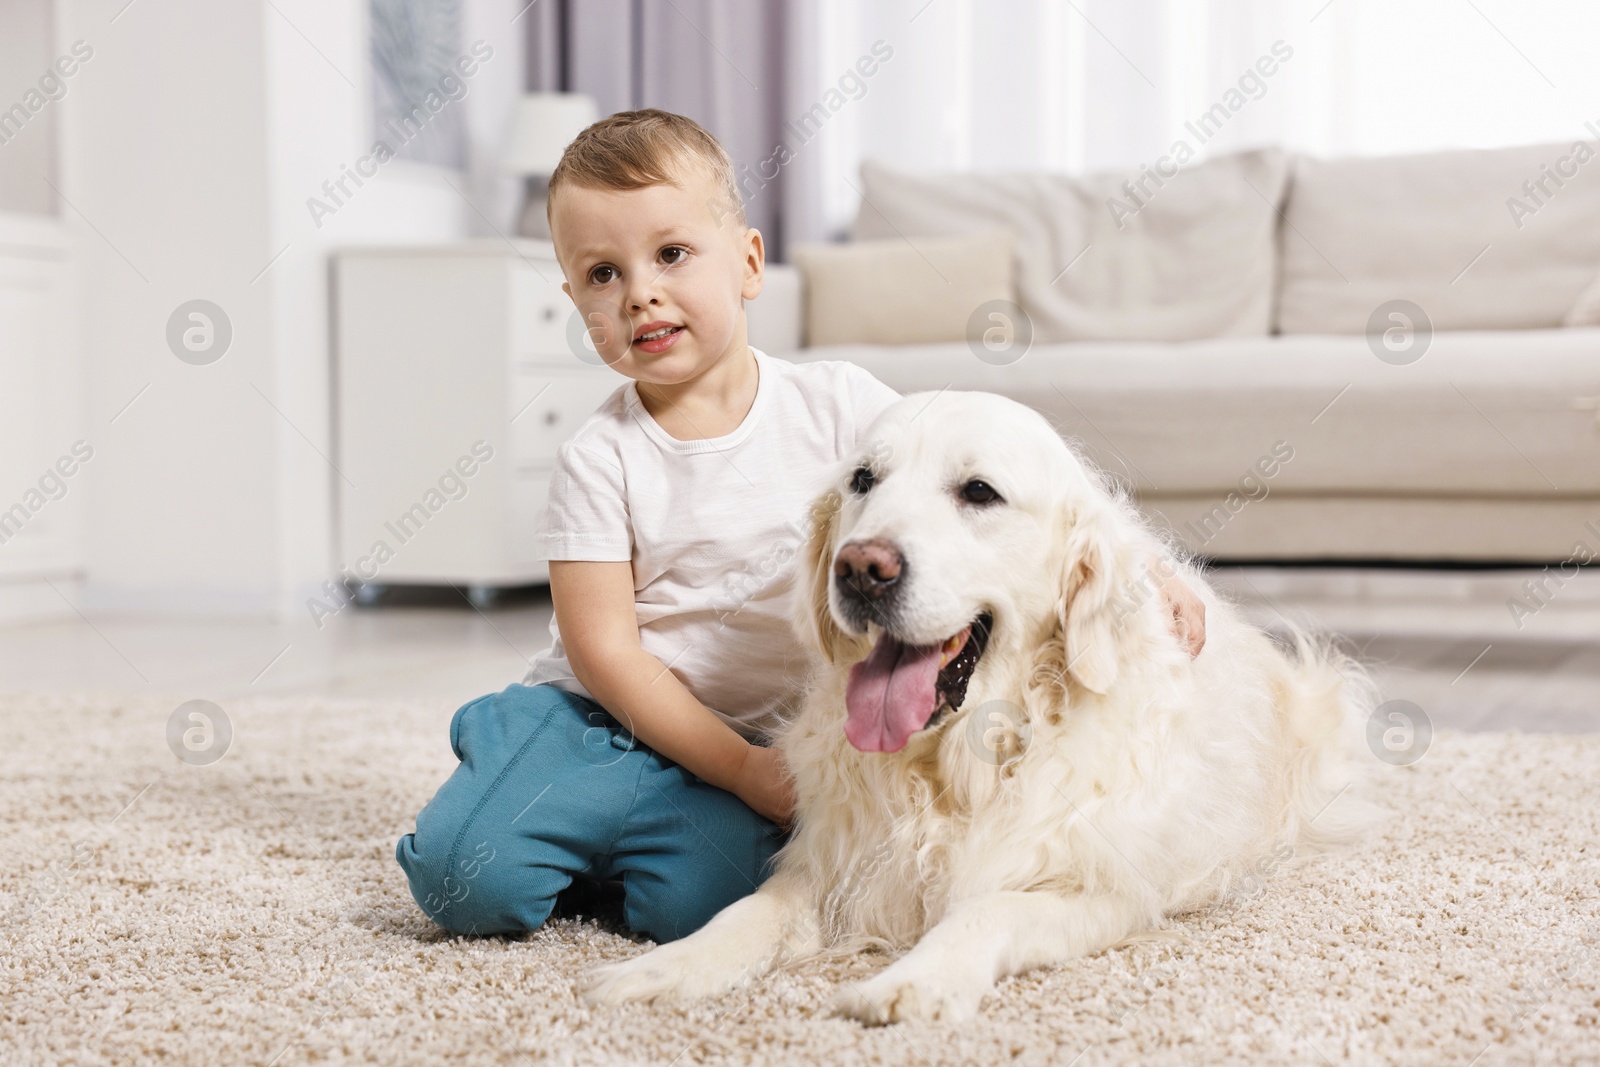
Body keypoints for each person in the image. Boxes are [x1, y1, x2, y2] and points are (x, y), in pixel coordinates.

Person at [395, 109, 1207, 943]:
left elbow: (1024, 485)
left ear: (748, 263)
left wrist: (1152, 568)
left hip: (744, 743)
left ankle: (606, 854)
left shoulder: (844, 406)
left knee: (714, 906)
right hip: (598, 723)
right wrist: (745, 772)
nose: (639, 290)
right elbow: (607, 655)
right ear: (577, 304)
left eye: (671, 254)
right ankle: (510, 752)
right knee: (466, 878)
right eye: (602, 273)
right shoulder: (601, 458)